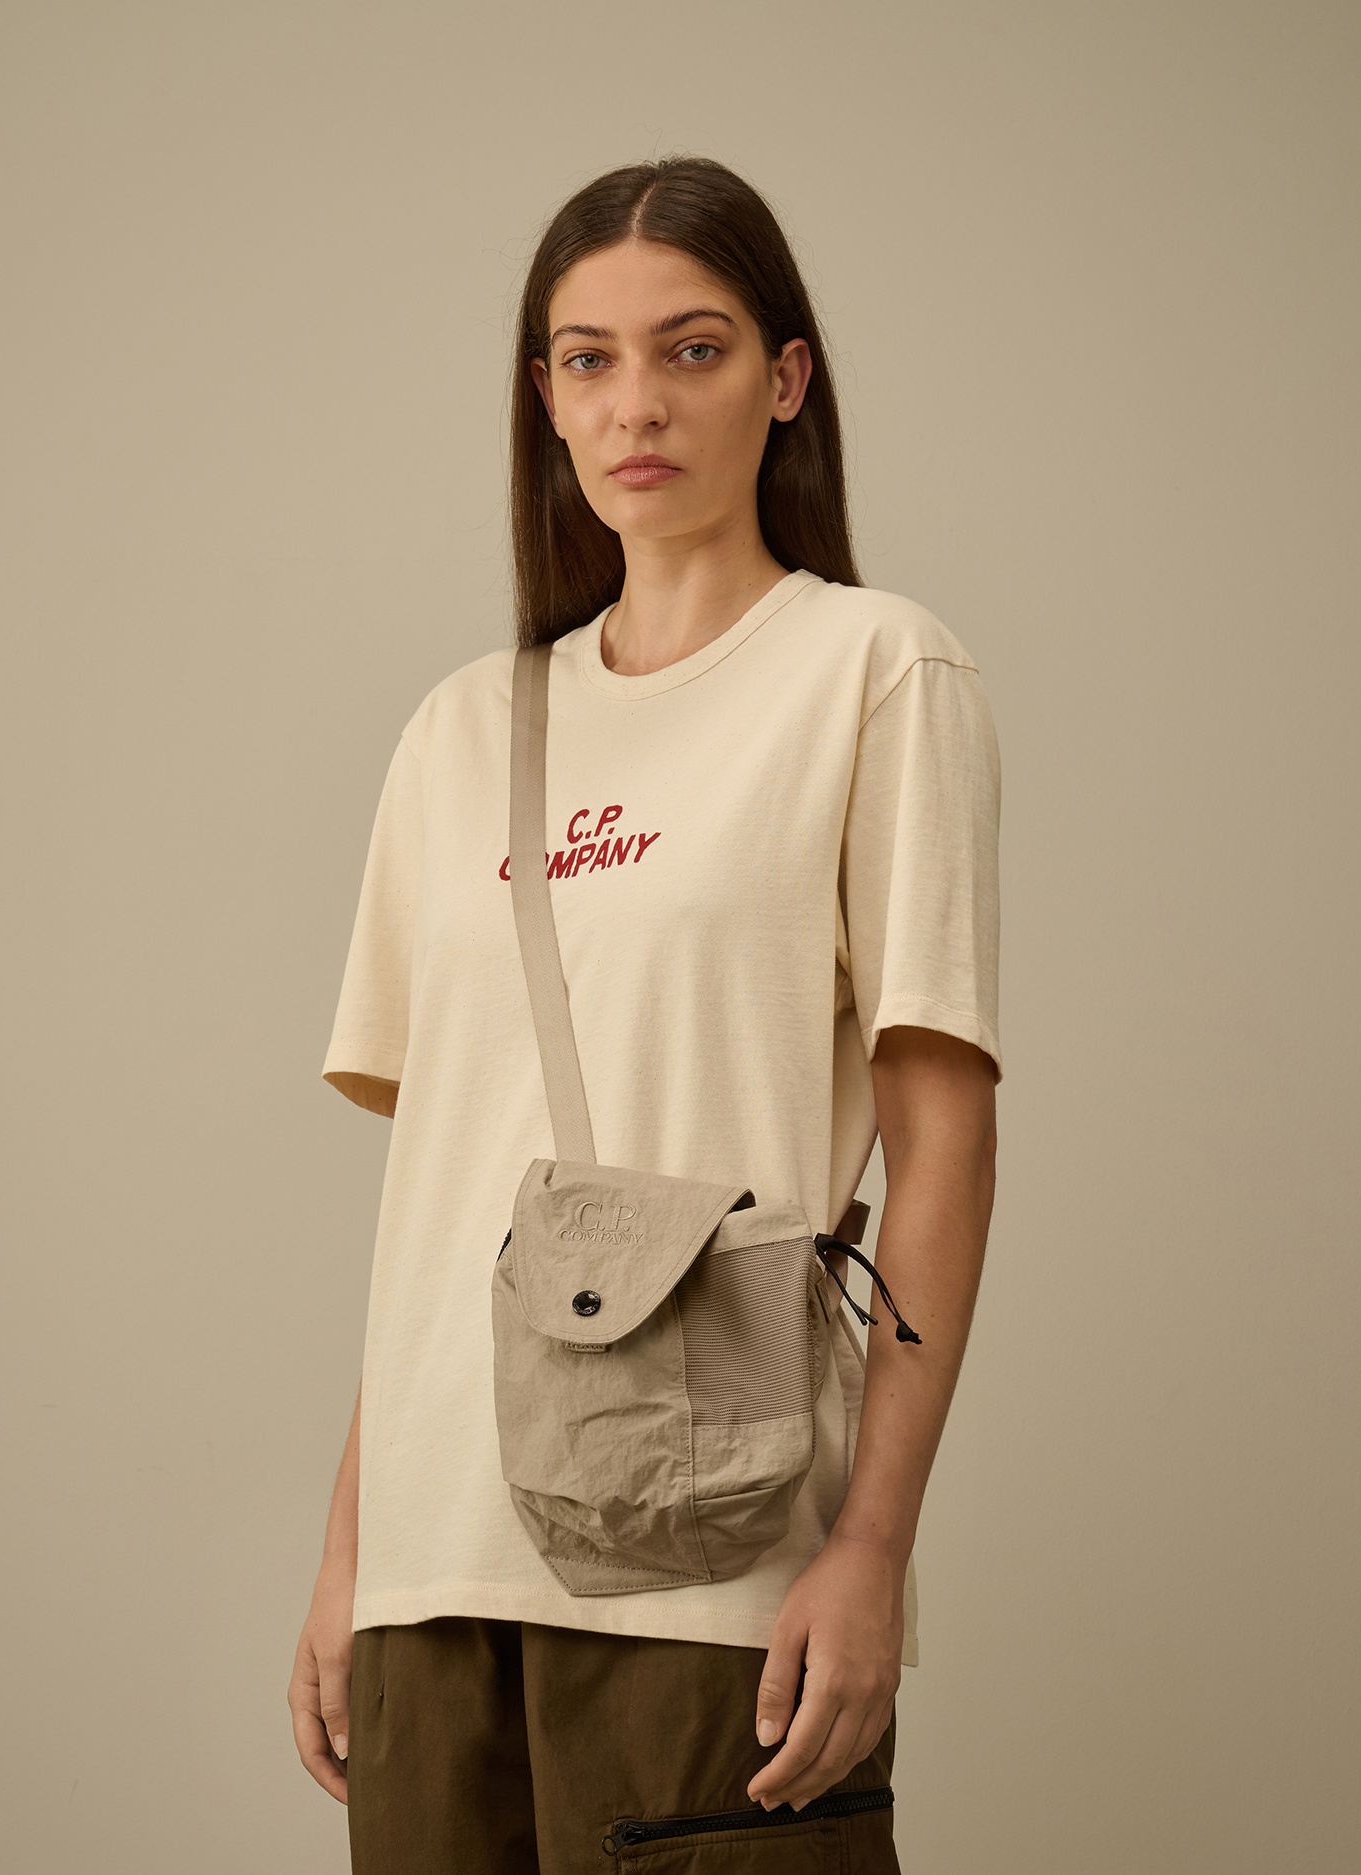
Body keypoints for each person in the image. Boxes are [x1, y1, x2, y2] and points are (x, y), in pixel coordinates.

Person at [288, 154, 1001, 1874]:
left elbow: (943, 1142)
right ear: (543, 399)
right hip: (434, 1572)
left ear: (786, 378)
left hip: (711, 1550)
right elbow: (448, 1191)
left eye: (693, 349)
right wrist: (350, 1555)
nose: (636, 405)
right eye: (587, 359)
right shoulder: (459, 732)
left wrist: (873, 1546)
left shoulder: (875, 671)